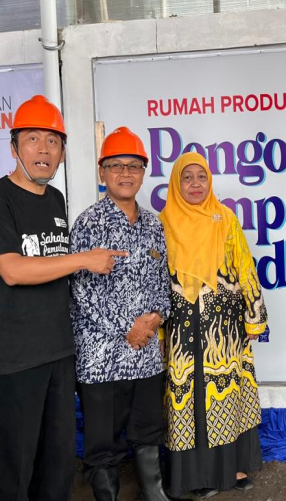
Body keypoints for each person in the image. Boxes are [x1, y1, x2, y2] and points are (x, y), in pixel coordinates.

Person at [0, 95, 125, 501]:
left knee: (57, 462)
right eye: (33, 139)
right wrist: (83, 259)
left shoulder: (55, 199)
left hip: (59, 350)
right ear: (14, 147)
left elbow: (56, 267)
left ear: (63, 152)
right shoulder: (1, 199)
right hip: (15, 358)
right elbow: (13, 270)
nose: (44, 149)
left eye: (53, 141)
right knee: (15, 464)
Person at [70, 127, 172, 501]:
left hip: (145, 352)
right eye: (116, 166)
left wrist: (156, 317)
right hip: (102, 356)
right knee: (102, 440)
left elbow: (164, 281)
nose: (125, 173)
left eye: (133, 165)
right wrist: (126, 329)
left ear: (144, 172)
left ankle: (153, 492)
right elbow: (82, 291)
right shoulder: (89, 223)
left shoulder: (154, 224)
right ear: (103, 173)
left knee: (147, 430)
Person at [159, 152, 268, 498]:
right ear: (176, 183)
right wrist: (159, 330)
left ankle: (231, 467)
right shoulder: (162, 223)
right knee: (190, 399)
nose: (194, 184)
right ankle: (195, 476)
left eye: (201, 177)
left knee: (225, 392)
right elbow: (154, 281)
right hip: (181, 330)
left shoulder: (226, 219)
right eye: (187, 177)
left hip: (223, 332)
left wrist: (254, 317)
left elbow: (245, 267)